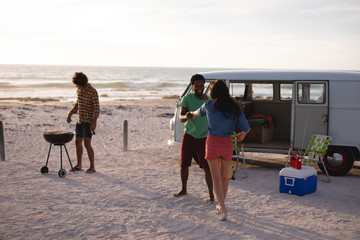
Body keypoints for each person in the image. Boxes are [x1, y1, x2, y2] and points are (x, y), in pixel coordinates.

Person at [191, 80, 250, 221]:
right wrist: (243, 134)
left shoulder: (209, 105)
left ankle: (223, 207)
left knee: (216, 178)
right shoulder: (235, 107)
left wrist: (190, 113)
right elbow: (245, 126)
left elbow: (197, 113)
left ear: (213, 93)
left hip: (212, 143)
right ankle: (221, 205)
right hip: (227, 143)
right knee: (224, 177)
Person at [173, 74, 214, 203]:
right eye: (197, 86)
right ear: (192, 86)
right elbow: (181, 117)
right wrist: (187, 117)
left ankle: (211, 195)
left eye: (201, 86)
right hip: (189, 136)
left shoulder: (208, 100)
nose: (199, 88)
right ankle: (184, 189)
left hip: (204, 137)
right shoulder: (187, 98)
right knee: (184, 164)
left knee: (207, 167)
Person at [67, 72, 100, 173]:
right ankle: (79, 165)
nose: (76, 86)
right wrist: (70, 114)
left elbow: (96, 108)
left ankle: (92, 166)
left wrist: (94, 123)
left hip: (88, 122)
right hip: (80, 121)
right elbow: (78, 104)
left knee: (87, 144)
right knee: (77, 142)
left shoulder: (92, 91)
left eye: (77, 84)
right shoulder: (79, 90)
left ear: (81, 83)